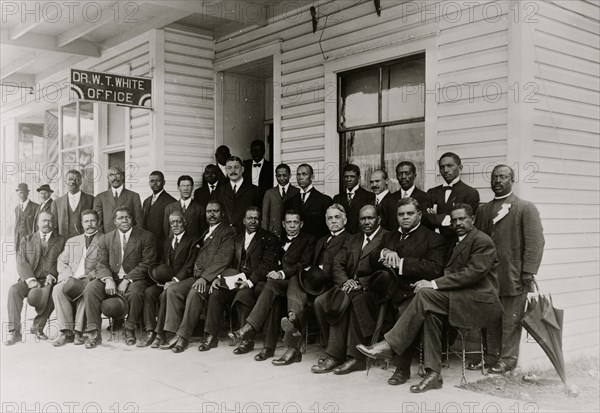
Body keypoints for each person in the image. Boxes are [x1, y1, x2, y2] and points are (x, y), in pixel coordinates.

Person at [357, 204, 502, 393]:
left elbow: (471, 274)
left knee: (425, 294)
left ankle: (390, 345)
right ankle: (433, 374)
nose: (458, 223)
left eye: (462, 219)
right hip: (456, 297)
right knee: (430, 313)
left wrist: (433, 284)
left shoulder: (482, 241)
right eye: (455, 220)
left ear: (472, 219)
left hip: (478, 301)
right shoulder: (456, 240)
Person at [472, 165, 545, 374]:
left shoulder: (524, 207)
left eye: (503, 177)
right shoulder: (484, 209)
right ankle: (490, 356)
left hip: (513, 275)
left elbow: (535, 242)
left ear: (512, 180)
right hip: (488, 275)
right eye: (494, 177)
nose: (498, 180)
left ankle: (508, 359)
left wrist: (528, 271)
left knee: (510, 319)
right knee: (490, 317)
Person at [369, 197, 447, 385]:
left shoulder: (433, 238)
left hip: (413, 292)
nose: (405, 218)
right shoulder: (390, 237)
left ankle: (401, 370)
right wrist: (384, 253)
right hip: (389, 291)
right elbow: (371, 259)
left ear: (419, 215)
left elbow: (435, 268)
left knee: (405, 311)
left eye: (410, 214)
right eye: (401, 214)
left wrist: (401, 263)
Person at [230, 210, 316, 362]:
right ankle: (268, 348)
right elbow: (269, 262)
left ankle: (250, 329)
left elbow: (303, 264)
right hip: (276, 284)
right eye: (288, 222)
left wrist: (282, 273)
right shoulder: (277, 239)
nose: (292, 226)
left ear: (301, 224)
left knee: (270, 287)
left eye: (295, 222)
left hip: (295, 283)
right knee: (268, 295)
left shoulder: (308, 240)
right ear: (283, 224)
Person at [311, 205, 387, 374]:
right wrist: (346, 282)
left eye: (370, 218)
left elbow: (386, 272)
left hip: (373, 290)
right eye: (363, 219)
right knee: (321, 301)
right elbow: (338, 264)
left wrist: (361, 282)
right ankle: (334, 348)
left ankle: (351, 357)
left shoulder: (387, 238)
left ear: (378, 219)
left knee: (349, 301)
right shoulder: (353, 239)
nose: (366, 222)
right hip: (348, 287)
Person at [276, 204, 351, 366]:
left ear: (345, 219)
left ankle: (294, 345)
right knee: (295, 279)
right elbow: (310, 262)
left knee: (315, 300)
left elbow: (343, 266)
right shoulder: (321, 240)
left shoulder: (350, 239)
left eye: (337, 217)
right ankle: (293, 321)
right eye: (329, 218)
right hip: (314, 283)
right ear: (325, 221)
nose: (333, 221)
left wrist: (320, 271)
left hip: (331, 286)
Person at [160, 201, 236, 353]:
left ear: (222, 213)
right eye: (209, 211)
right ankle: (172, 334)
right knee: (172, 290)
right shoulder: (206, 232)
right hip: (196, 276)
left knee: (195, 293)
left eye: (215, 211)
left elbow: (224, 259)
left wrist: (206, 278)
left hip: (212, 279)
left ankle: (183, 337)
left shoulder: (227, 232)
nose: (212, 214)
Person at [201, 207, 278, 353]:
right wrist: (219, 278)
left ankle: (246, 340)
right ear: (243, 220)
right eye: (249, 218)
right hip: (235, 279)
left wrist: (248, 282)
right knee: (216, 293)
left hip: (255, 283)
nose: (253, 221)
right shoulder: (237, 237)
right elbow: (228, 260)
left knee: (243, 295)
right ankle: (211, 336)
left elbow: (267, 265)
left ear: (260, 221)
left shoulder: (269, 238)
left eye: (256, 218)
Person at [83, 206, 156, 348]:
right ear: (114, 221)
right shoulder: (106, 238)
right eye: (120, 218)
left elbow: (147, 263)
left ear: (132, 219)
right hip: (112, 277)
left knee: (135, 292)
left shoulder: (146, 236)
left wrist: (128, 279)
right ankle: (94, 333)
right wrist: (108, 279)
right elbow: (101, 263)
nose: (124, 220)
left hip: (135, 278)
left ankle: (129, 329)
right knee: (90, 288)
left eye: (127, 217)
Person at [6, 211, 66, 345]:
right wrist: (30, 280)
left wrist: (53, 275)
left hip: (48, 279)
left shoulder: (61, 240)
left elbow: (62, 260)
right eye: (44, 221)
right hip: (30, 279)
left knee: (52, 292)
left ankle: (38, 327)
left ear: (54, 223)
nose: (47, 224)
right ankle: (14, 331)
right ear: (38, 223)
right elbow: (21, 261)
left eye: (50, 221)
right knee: (13, 291)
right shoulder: (27, 239)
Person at [139, 210, 197, 348]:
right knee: (149, 292)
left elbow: (189, 266)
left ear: (184, 222)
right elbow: (162, 263)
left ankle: (161, 333)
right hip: (166, 281)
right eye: (172, 222)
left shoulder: (193, 241)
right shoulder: (167, 242)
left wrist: (175, 280)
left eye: (178, 221)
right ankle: (150, 331)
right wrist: (160, 279)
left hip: (182, 281)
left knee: (167, 293)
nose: (175, 225)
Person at [52, 209, 102, 346]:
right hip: (72, 278)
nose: (89, 224)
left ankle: (79, 332)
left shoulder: (105, 239)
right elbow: (62, 261)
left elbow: (106, 265)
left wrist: (90, 276)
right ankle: (67, 332)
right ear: (82, 223)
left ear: (98, 222)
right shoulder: (72, 241)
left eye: (92, 220)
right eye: (86, 221)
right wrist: (67, 277)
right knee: (57, 289)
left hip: (90, 279)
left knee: (87, 290)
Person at [423, 153, 479, 239]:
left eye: (450, 166)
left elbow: (465, 223)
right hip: (433, 242)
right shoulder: (432, 192)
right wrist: (449, 218)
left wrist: (435, 217)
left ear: (460, 168)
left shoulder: (470, 193)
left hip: (457, 242)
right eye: (442, 167)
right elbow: (425, 218)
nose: (445, 170)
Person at [213, 156, 261, 234]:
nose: (233, 171)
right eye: (229, 168)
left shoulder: (255, 191)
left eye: (236, 167)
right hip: (225, 236)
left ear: (242, 169)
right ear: (226, 170)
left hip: (246, 235)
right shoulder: (219, 191)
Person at [284, 164, 332, 238]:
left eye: (304, 174)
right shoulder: (290, 201)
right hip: (296, 245)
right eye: (298, 174)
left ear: (312, 177)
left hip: (316, 245)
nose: (300, 177)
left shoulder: (324, 200)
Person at [93, 166, 144, 234]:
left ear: (122, 177)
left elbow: (139, 222)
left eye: (117, 174)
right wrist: (104, 239)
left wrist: (133, 239)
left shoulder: (134, 196)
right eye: (111, 175)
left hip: (129, 239)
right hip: (108, 240)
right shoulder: (100, 197)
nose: (115, 178)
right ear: (108, 178)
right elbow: (97, 222)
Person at [142, 171, 176, 260]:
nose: (155, 183)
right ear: (149, 183)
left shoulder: (171, 201)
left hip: (162, 245)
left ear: (164, 182)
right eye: (152, 181)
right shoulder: (146, 201)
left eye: (158, 180)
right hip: (147, 245)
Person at [51, 170, 94, 239]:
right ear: (65, 181)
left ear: (81, 182)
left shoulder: (91, 199)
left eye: (76, 179)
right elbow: (54, 226)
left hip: (85, 241)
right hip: (63, 243)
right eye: (70, 179)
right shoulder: (56, 203)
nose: (73, 182)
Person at [332, 164, 373, 234]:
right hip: (342, 238)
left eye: (352, 176)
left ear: (359, 178)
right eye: (346, 177)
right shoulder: (337, 198)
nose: (348, 179)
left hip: (360, 237)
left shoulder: (368, 196)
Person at [262, 163, 299, 237]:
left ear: (290, 175)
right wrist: (265, 234)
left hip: (291, 232)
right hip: (273, 233)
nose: (282, 178)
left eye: (284, 175)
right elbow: (265, 217)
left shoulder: (296, 191)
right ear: (275, 176)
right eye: (279, 176)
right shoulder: (269, 193)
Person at [163, 175, 206, 240]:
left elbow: (203, 231)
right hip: (174, 246)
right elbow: (166, 231)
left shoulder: (200, 208)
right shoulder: (169, 208)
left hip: (192, 246)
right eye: (183, 186)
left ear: (192, 187)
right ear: (178, 188)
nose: (186, 188)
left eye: (188, 186)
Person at [390, 162, 428, 231]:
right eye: (400, 174)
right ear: (396, 177)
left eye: (407, 173)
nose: (403, 177)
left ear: (414, 175)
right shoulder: (389, 199)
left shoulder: (425, 198)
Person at [14, 183, 39, 253]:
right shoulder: (17, 208)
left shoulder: (36, 207)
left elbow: (38, 227)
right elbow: (16, 227)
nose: (22, 195)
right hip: (19, 242)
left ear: (27, 193)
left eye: (24, 192)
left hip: (31, 241)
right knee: (19, 261)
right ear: (17, 194)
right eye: (20, 193)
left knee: (30, 261)